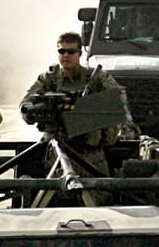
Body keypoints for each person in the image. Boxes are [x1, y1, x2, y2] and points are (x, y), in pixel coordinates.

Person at [20, 32, 135, 171]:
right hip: (57, 151)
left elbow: (118, 101)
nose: (66, 55)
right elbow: (26, 103)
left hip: (91, 153)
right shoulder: (49, 79)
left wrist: (127, 128)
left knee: (99, 190)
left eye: (71, 51)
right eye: (61, 51)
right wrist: (29, 112)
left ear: (79, 53)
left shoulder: (97, 78)